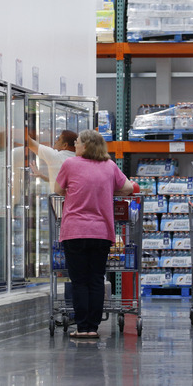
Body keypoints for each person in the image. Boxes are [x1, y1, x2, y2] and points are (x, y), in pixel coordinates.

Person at [54, 130, 136, 338]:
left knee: (79, 280)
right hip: (101, 232)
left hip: (75, 231)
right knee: (96, 279)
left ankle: (83, 328)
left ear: (87, 146)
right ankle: (94, 326)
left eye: (78, 142)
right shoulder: (110, 166)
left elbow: (57, 190)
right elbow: (128, 188)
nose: (76, 145)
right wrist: (110, 190)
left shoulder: (70, 165)